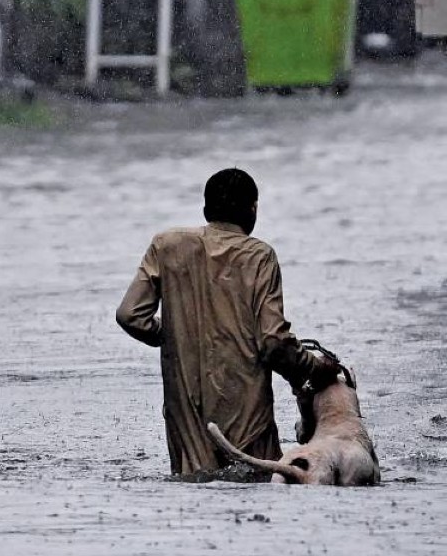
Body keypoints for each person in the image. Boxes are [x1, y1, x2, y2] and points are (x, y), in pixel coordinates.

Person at [115, 168, 341, 477]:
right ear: (253, 210)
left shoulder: (166, 246)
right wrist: (316, 369)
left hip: (187, 420)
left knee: (194, 489)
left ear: (206, 209)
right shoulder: (259, 256)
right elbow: (274, 343)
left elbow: (130, 315)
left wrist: (173, 335)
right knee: (256, 484)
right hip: (249, 421)